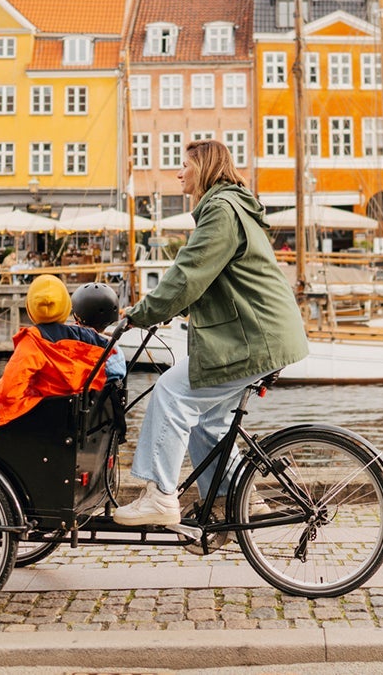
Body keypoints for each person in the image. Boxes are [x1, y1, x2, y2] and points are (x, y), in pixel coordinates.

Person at [113, 139, 309, 526]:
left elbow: (188, 274)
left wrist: (143, 313)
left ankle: (159, 495)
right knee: (208, 424)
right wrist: (171, 309)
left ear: (203, 168)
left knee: (171, 392)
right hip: (259, 333)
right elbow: (212, 279)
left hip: (253, 337)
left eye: (184, 164)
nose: (178, 172)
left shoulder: (220, 210)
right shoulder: (231, 206)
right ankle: (233, 501)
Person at [0, 275, 125, 428]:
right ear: (66, 307)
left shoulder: (33, 340)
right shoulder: (96, 344)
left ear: (30, 309)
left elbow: (8, 392)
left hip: (35, 416)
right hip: (74, 418)